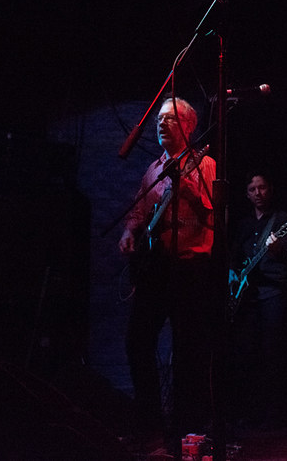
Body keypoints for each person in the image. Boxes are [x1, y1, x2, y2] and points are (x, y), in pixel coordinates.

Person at [118, 96, 217, 448]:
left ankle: (185, 426)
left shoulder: (204, 164)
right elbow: (138, 211)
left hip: (191, 266)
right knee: (137, 341)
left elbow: (214, 212)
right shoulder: (153, 168)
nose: (161, 123)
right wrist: (129, 232)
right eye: (159, 118)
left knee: (187, 349)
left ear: (189, 125)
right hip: (157, 266)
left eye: (170, 118)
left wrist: (187, 189)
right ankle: (150, 421)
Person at [228, 171, 287, 429]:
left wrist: (278, 250)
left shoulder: (283, 220)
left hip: (273, 292)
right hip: (247, 297)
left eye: (262, 187)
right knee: (247, 353)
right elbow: (234, 258)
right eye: (252, 189)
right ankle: (250, 412)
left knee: (272, 353)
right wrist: (233, 275)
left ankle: (274, 414)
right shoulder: (243, 225)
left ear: (270, 190)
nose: (258, 193)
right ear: (247, 194)